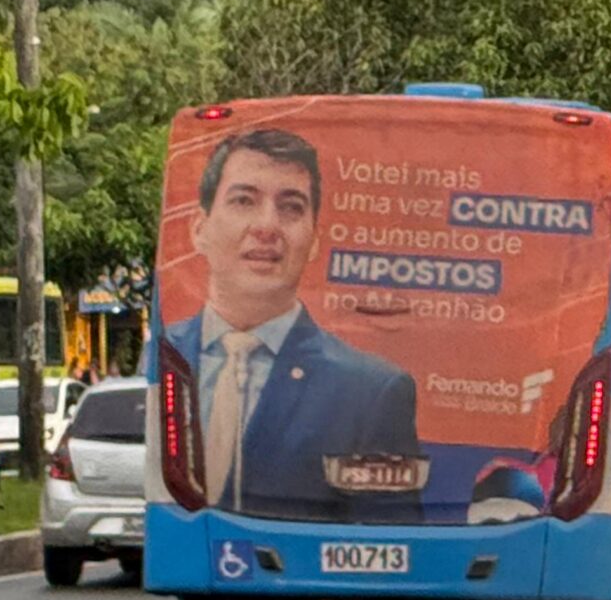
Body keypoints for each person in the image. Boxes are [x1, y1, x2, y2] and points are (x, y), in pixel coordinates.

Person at [159, 126, 425, 521]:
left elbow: (391, 545)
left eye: (291, 207)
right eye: (244, 200)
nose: (267, 226)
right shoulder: (164, 358)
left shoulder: (370, 392)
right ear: (200, 229)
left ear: (314, 240)